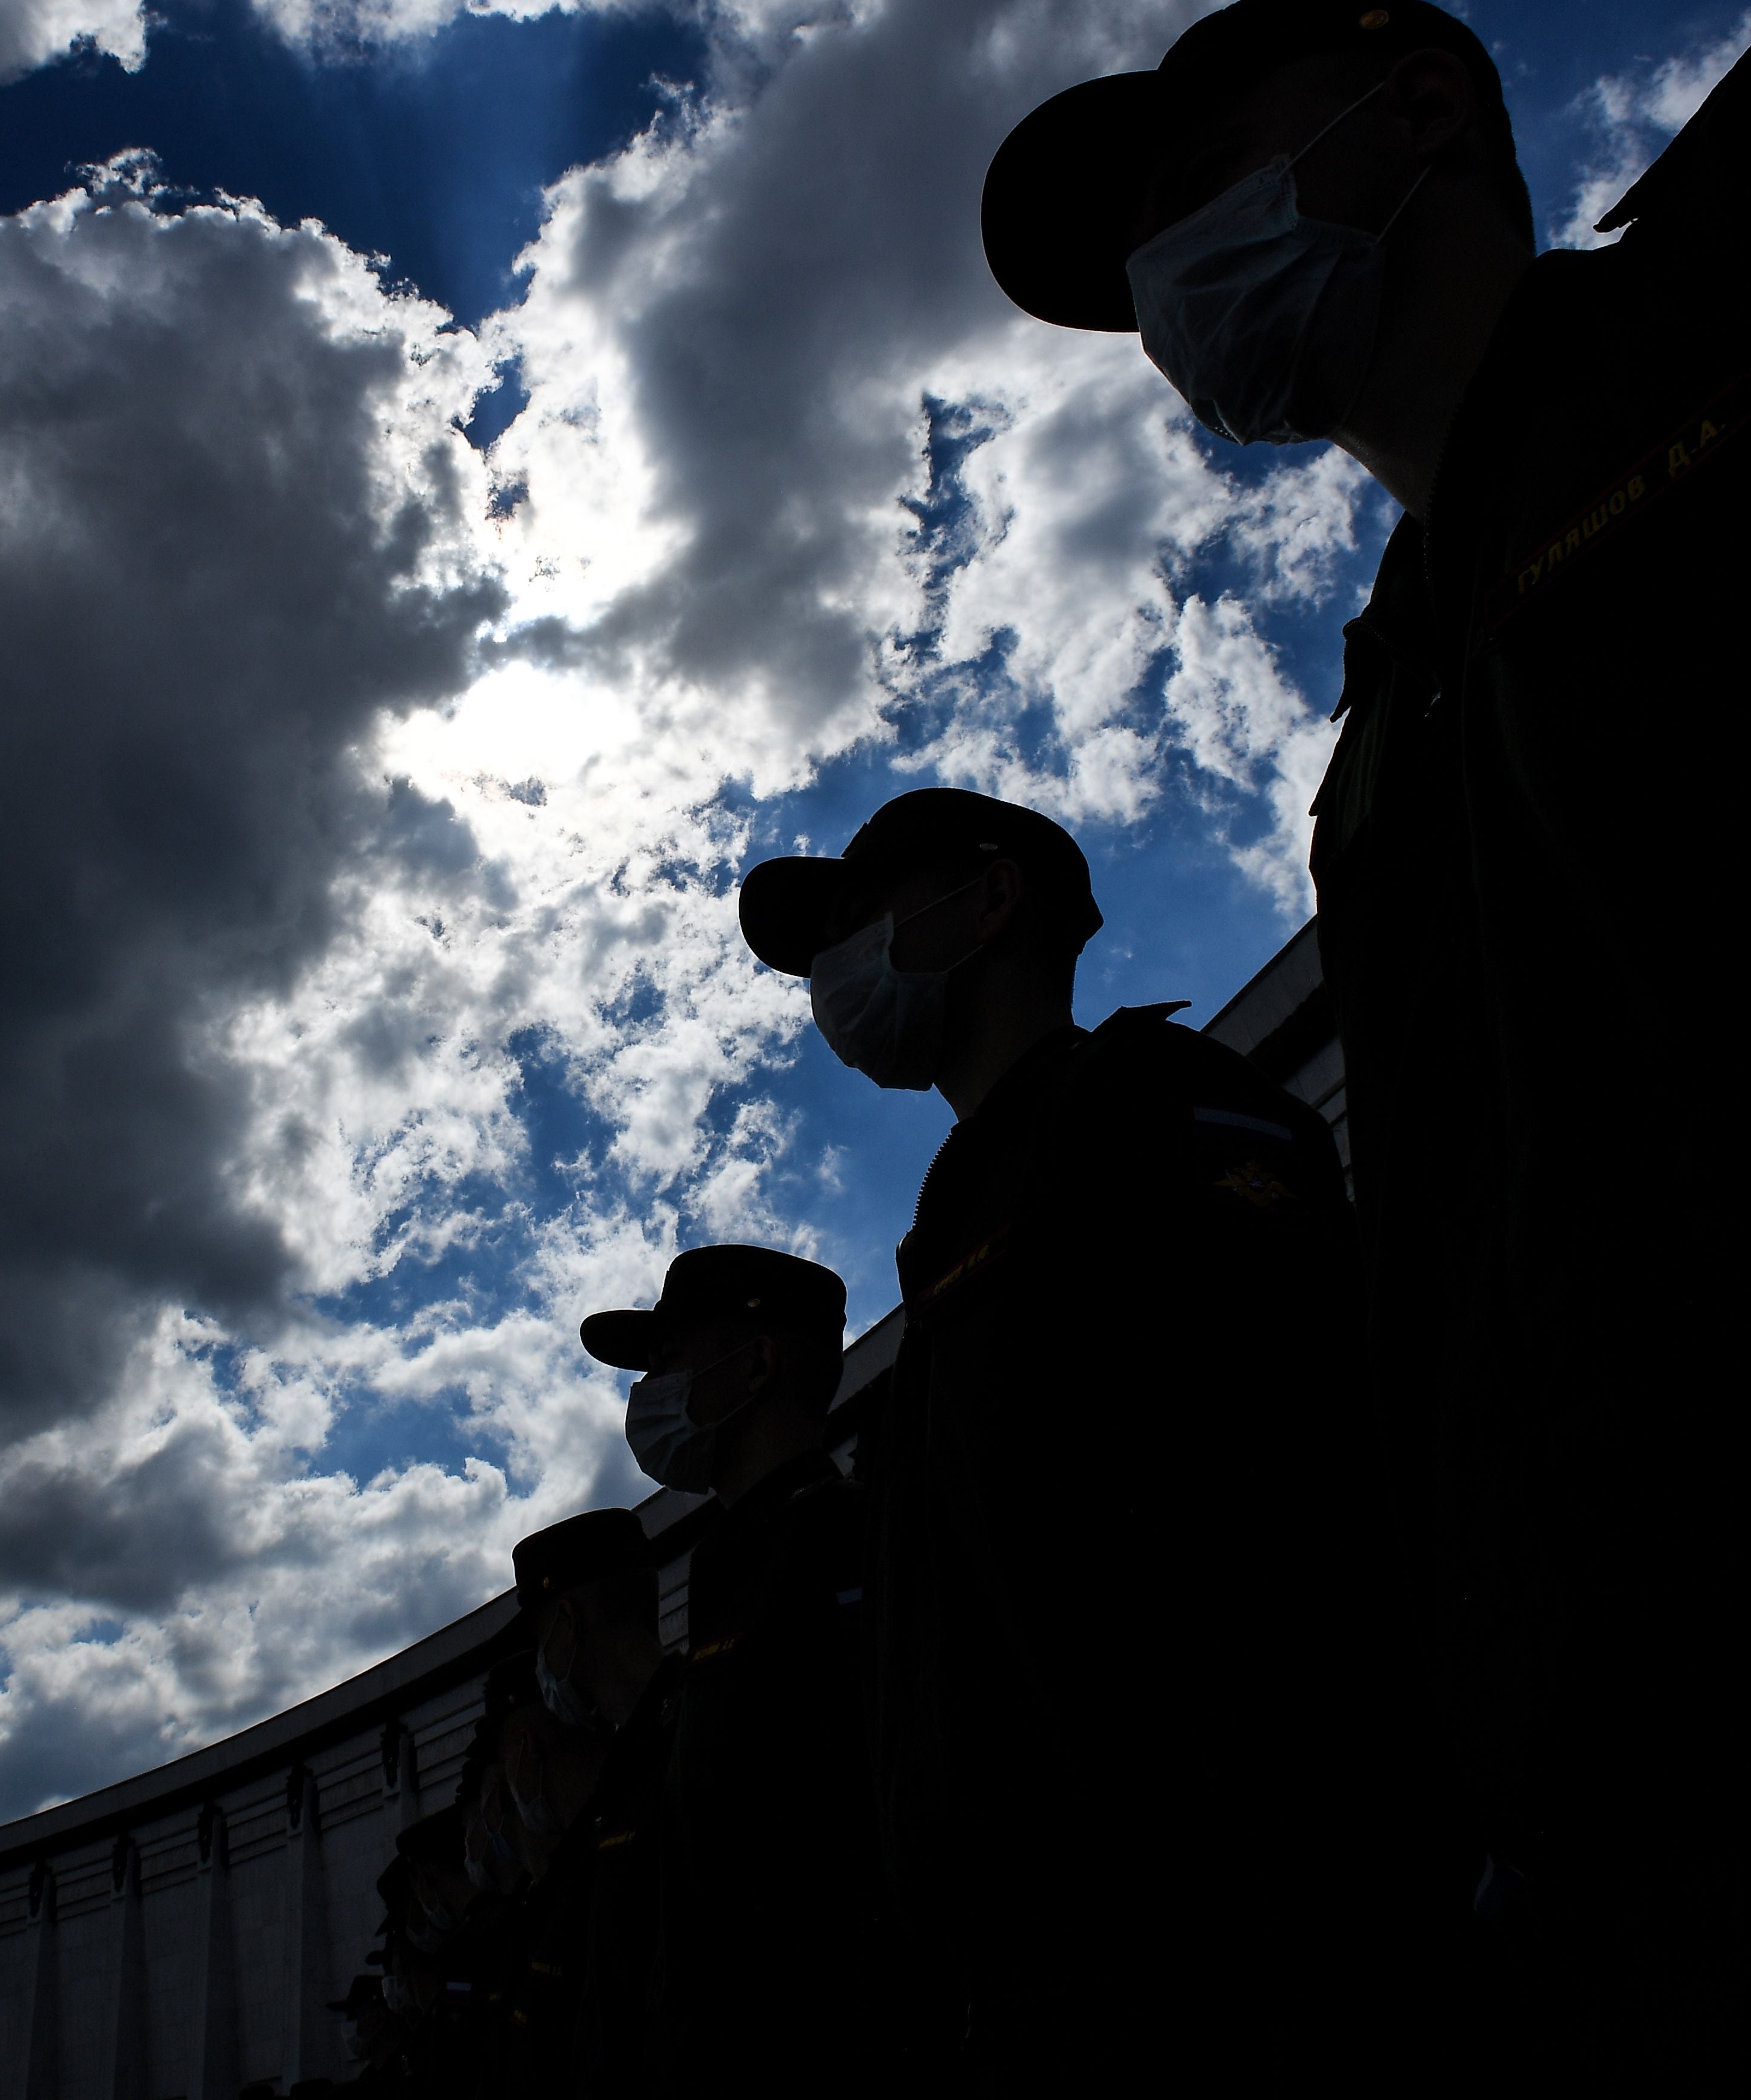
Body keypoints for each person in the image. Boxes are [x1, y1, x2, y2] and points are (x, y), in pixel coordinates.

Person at [979, 0, 1751, 2081]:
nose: (1161, 265)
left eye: (1199, 173)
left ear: (1413, 112)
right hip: (1667, 1841)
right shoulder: (1378, 738)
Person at [736, 786, 1404, 2089]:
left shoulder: (1153, 1106)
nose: (833, 973)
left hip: (1205, 1943)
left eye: (861, 921)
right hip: (1034, 1969)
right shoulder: (961, 1205)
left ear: (989, 900)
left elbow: (1288, 1489)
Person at [580, 1244, 883, 2097]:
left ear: (754, 1364)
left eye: (669, 1363)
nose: (647, 1397)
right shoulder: (731, 1564)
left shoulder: (847, 1539)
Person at [494, 1509, 683, 2099]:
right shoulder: (663, 1751)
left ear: (568, 1624)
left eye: (541, 1643)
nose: (545, 1670)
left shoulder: (677, 1754)